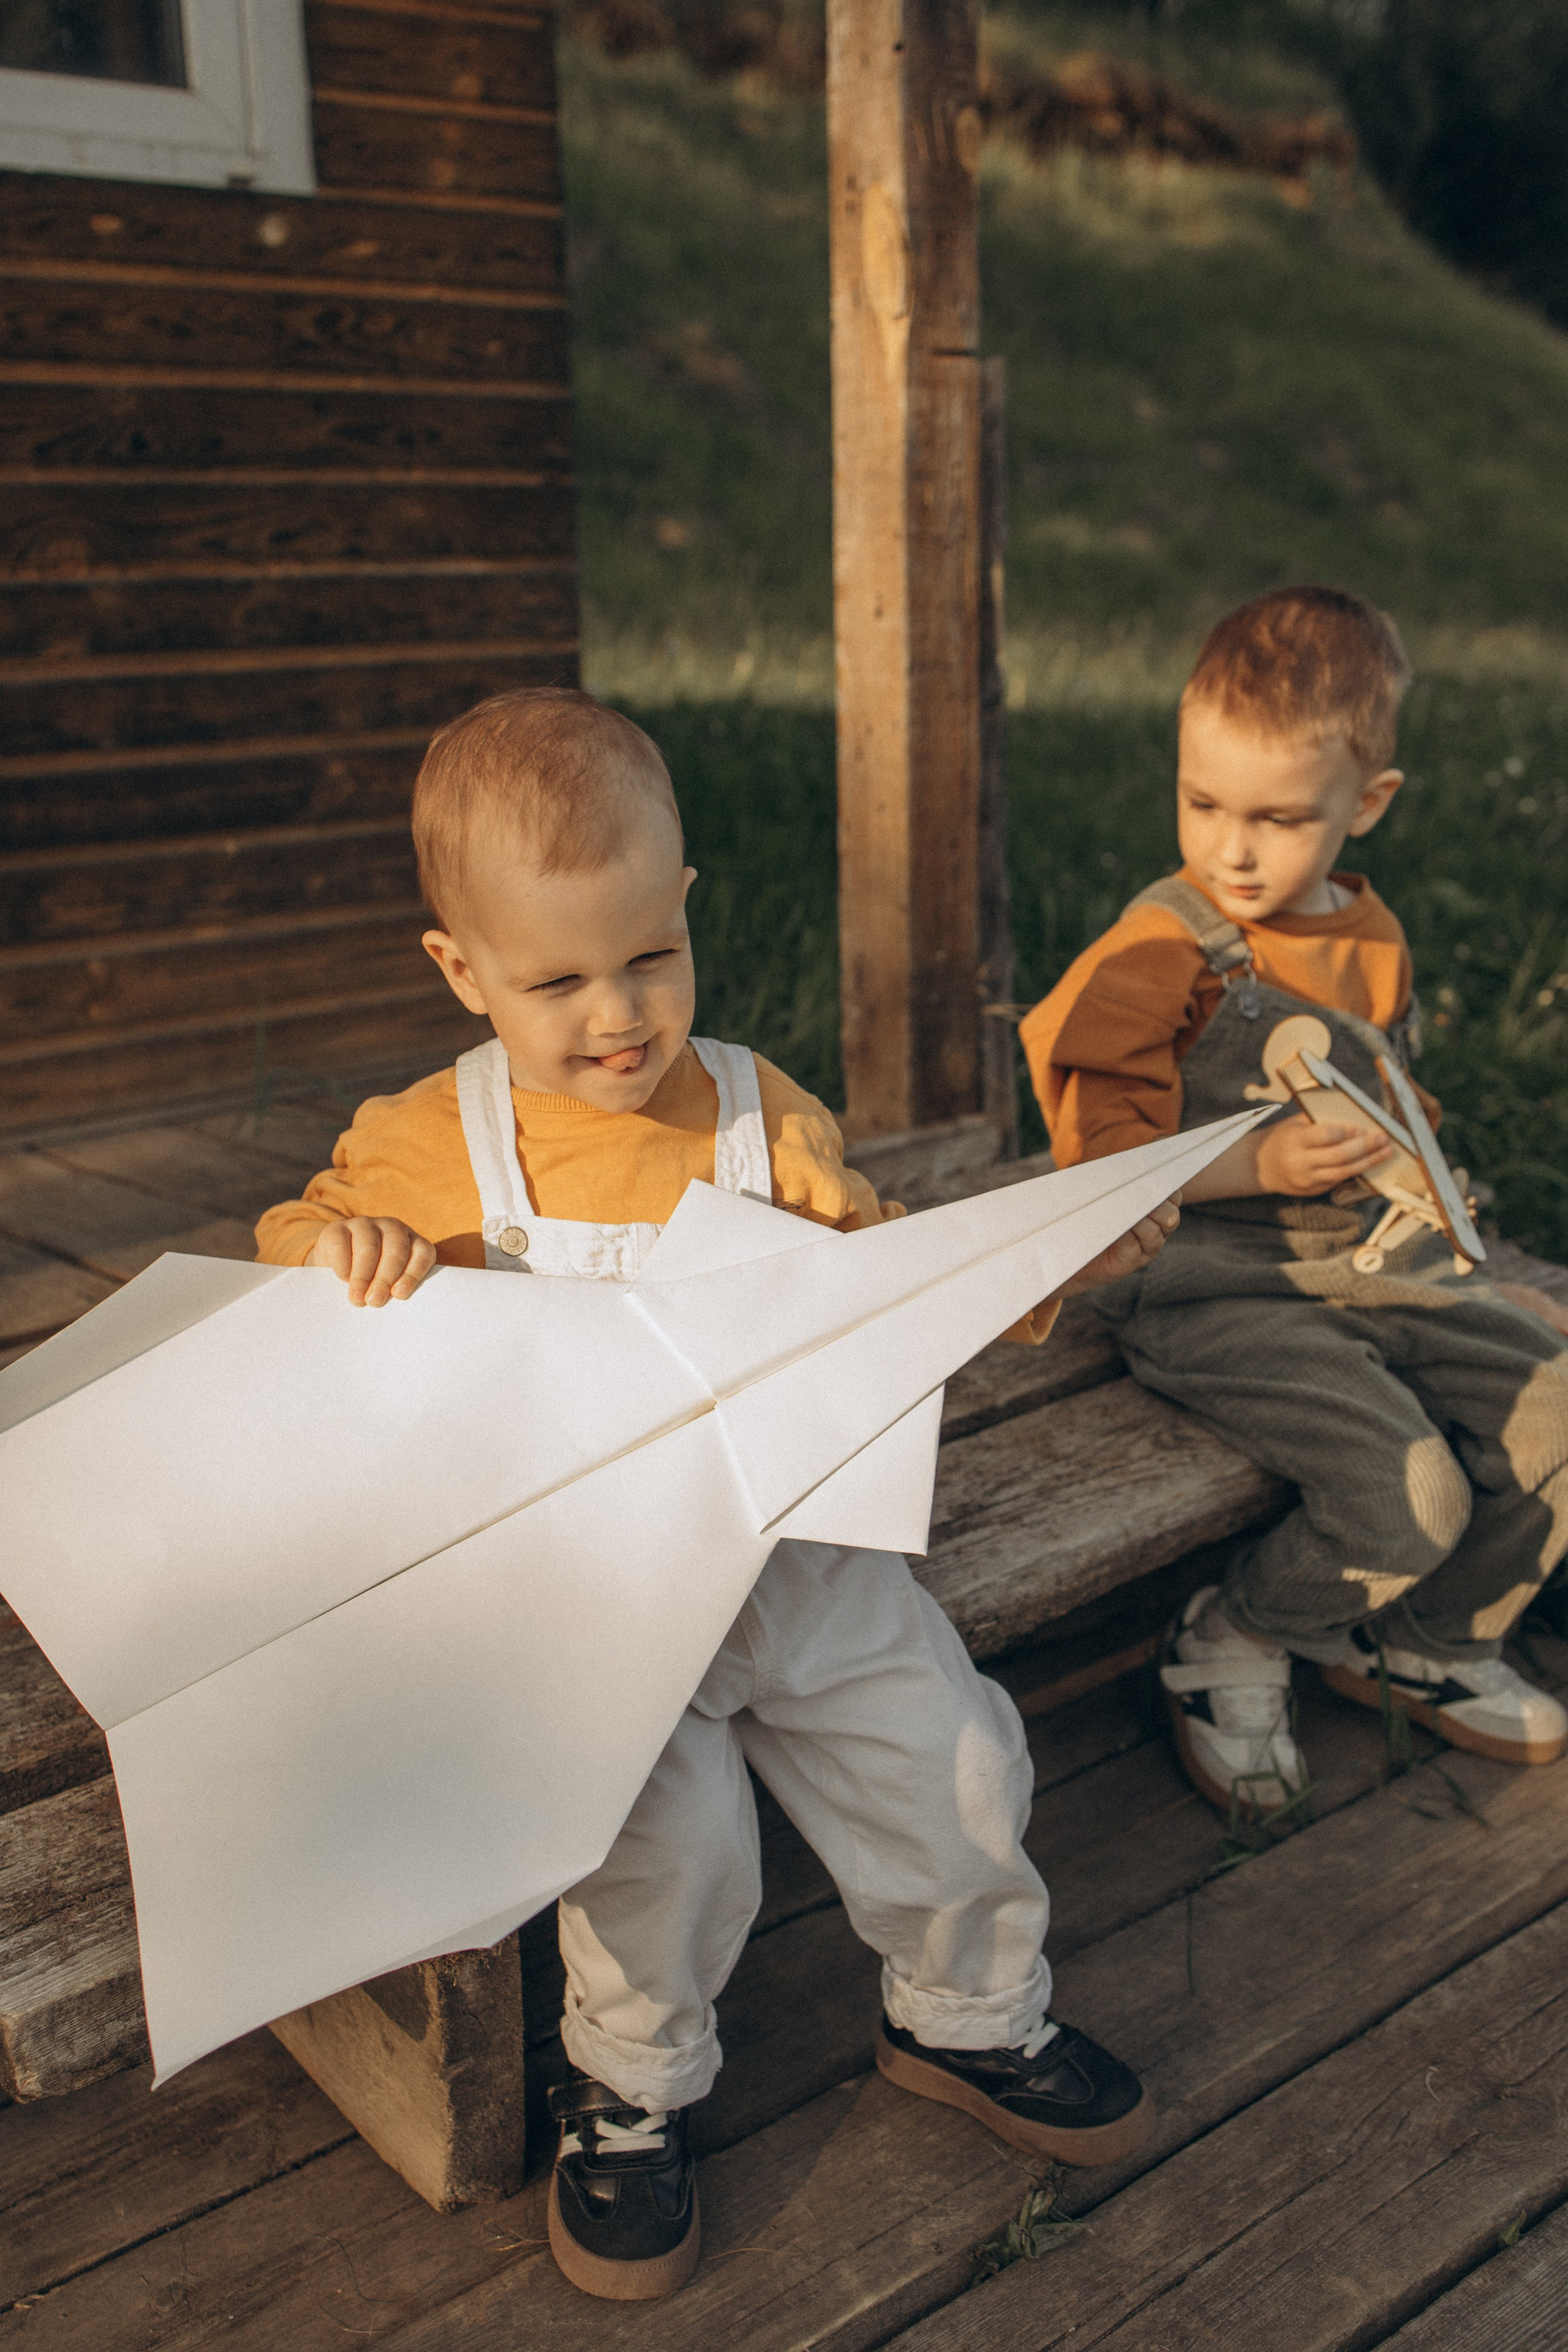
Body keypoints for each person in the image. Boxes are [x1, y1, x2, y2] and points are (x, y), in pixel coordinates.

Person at [256, 686, 1175, 2302]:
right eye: (555, 981)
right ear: (462, 973)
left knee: (953, 1761)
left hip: (806, 1552)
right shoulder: (432, 1148)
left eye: (650, 959)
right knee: (664, 1851)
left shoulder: (763, 1115)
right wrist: (342, 1255)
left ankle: (966, 2014)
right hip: (606, 1601)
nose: (618, 1015)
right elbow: (284, 1244)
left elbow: (897, 1271)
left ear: (686, 910)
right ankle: (632, 2088)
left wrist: (1050, 1261)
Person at [1020, 586, 1568, 1825]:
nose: (1229, 848)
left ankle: (1424, 1637)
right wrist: (1254, 1169)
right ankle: (1233, 1633)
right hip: (1210, 1278)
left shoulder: (1366, 935)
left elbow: (1391, 1110)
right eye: (1200, 803)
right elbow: (1102, 1168)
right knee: (1407, 1491)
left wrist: (1452, 1233)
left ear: (1363, 806)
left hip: (1376, 1261)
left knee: (1555, 1415)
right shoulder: (1160, 950)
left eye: (1276, 819)